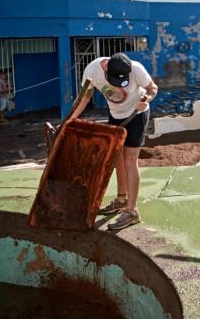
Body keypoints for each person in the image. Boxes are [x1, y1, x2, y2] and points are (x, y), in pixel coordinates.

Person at [68, 53, 158, 230]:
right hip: (116, 116)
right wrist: (71, 120)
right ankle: (121, 200)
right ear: (106, 67)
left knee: (130, 160)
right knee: (118, 160)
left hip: (137, 115)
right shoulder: (92, 71)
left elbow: (153, 88)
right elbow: (85, 97)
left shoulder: (136, 68)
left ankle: (131, 212)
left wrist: (146, 98)